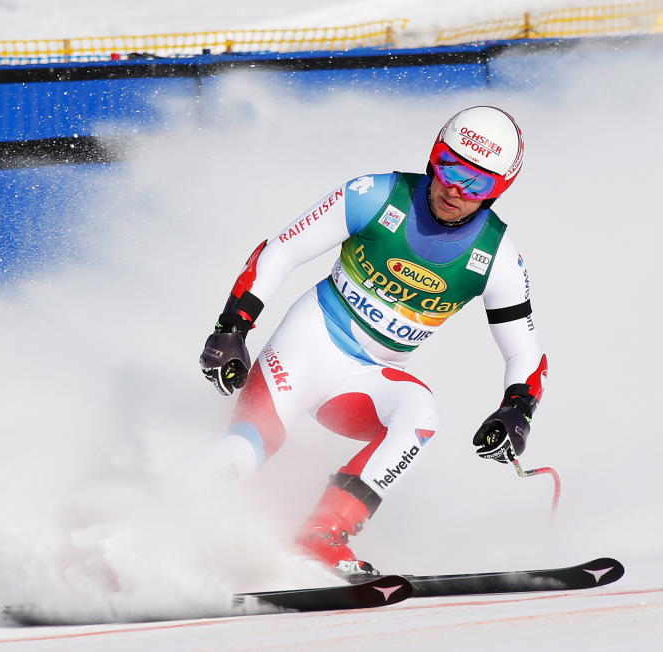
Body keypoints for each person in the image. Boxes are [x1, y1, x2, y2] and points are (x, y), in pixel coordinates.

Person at [198, 106, 547, 575]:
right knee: (244, 451)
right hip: (308, 344)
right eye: (449, 165)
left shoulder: (499, 257)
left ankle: (322, 537)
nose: (455, 189)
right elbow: (281, 251)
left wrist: (517, 410)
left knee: (421, 414)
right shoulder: (377, 194)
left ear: (499, 190)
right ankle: (150, 527)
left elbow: (524, 350)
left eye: (477, 183)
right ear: (433, 156)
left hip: (362, 380)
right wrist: (232, 327)